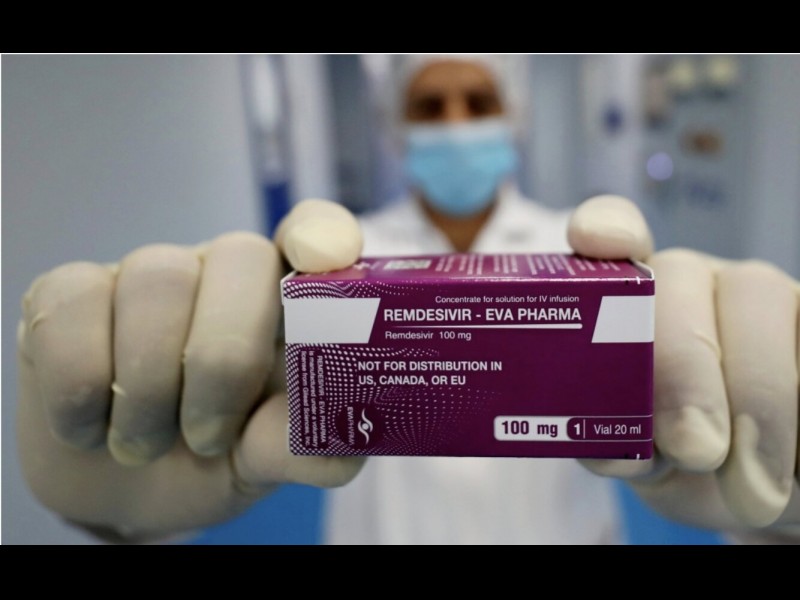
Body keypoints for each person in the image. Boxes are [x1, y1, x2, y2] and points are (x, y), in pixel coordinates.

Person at [16, 55, 800, 544]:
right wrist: (120, 509)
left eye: (477, 101)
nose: (455, 123)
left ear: (513, 117)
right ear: (397, 127)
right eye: (430, 106)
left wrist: (774, 510)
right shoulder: (333, 264)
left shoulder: (591, 259)